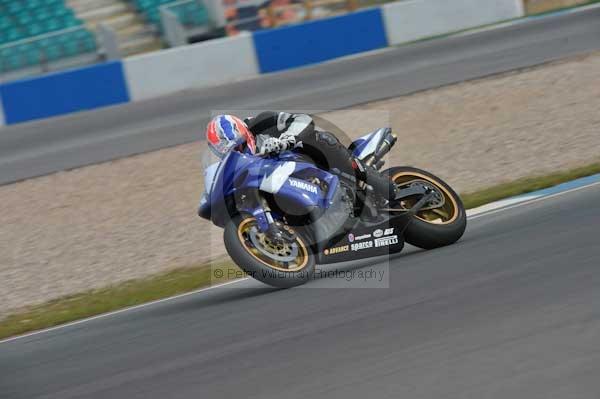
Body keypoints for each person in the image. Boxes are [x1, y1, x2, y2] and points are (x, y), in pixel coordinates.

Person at [205, 112, 398, 202]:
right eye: (230, 151)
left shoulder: (259, 122)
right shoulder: (235, 164)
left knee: (319, 139)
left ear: (243, 133)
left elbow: (303, 120)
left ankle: (367, 176)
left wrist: (286, 138)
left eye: (238, 145)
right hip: (280, 179)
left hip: (307, 156)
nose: (238, 151)